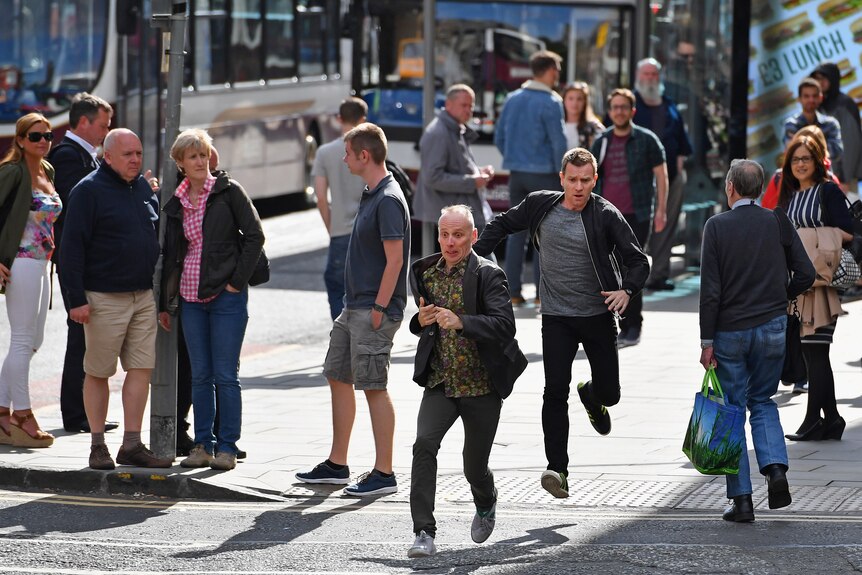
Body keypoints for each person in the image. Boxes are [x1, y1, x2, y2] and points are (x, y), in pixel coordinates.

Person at [474, 148, 649, 499]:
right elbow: (502, 224)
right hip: (556, 317)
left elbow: (638, 260)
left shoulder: (605, 215)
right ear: (562, 179)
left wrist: (627, 291)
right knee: (554, 390)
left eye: (586, 180)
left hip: (597, 316)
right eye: (573, 180)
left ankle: (592, 396)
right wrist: (475, 262)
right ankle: (557, 469)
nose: (579, 187)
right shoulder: (542, 204)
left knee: (610, 395)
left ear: (594, 180)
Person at [295, 123, 411, 496]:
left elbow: (395, 261)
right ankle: (337, 464)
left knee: (374, 386)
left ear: (365, 155)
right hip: (354, 306)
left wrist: (380, 307)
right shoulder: (371, 192)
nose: (343, 159)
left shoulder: (389, 198)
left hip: (373, 308)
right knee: (337, 375)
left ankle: (384, 473)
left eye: (348, 153)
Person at [406, 205, 527, 558]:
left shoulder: (489, 274)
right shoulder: (426, 272)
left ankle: (486, 501)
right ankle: (423, 532)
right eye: (445, 234)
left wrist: (462, 322)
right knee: (423, 445)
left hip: (481, 386)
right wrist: (420, 321)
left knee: (473, 466)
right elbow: (421, 323)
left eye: (458, 235)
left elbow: (505, 325)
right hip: (442, 381)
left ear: (473, 237)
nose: (450, 242)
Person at [699, 159, 815, 523]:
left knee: (732, 409)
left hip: (730, 331)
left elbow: (710, 293)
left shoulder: (716, 226)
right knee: (762, 401)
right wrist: (783, 295)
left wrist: (706, 340)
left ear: (730, 188)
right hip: (772, 327)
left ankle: (742, 500)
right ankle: (776, 469)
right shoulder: (777, 220)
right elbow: (807, 273)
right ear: (761, 190)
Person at [59, 128, 172, 470]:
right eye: (127, 154)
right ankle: (97, 446)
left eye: (138, 153)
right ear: (107, 156)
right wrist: (75, 299)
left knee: (141, 369)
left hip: (142, 295)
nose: (135, 159)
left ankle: (132, 445)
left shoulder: (141, 188)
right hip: (102, 297)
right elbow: (70, 249)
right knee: (98, 372)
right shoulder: (88, 191)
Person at [158, 129, 264, 471]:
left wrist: (236, 283)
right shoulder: (175, 202)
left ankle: (228, 447)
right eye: (193, 157)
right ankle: (202, 445)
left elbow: (255, 236)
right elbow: (171, 255)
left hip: (226, 297)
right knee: (200, 375)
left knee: (225, 375)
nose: (201, 162)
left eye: (204, 155)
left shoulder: (228, 192)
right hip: (189, 297)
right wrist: (165, 301)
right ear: (180, 163)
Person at [47, 92, 116, 434]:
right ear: (84, 122)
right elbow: (78, 206)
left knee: (90, 338)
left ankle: (87, 413)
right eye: (103, 125)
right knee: (80, 335)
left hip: (87, 258)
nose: (106, 131)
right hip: (75, 260)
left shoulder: (85, 155)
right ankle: (75, 414)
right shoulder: (68, 156)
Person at [778, 135, 853, 442]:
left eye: (806, 158)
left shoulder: (828, 191)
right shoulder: (793, 194)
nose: (799, 164)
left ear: (818, 160)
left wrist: (806, 239)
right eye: (795, 159)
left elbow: (848, 231)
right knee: (813, 353)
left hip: (823, 284)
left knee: (815, 352)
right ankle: (832, 418)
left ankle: (813, 420)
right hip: (803, 284)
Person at [0, 113, 61, 448]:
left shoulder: (47, 171)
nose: (43, 141)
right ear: (21, 140)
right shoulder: (11, 172)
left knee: (34, 339)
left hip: (42, 263)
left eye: (48, 136)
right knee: (23, 339)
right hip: (21, 262)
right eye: (36, 136)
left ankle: (1, 411)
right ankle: (22, 415)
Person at [591, 88, 668, 348]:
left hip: (638, 214)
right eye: (615, 107)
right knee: (606, 270)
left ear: (632, 111)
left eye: (624, 107)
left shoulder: (647, 140)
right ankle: (614, 324)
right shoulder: (601, 141)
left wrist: (661, 210)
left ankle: (632, 325)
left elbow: (661, 175)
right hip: (605, 215)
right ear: (610, 111)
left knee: (632, 268)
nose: (619, 111)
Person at [494, 50, 568, 305]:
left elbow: (499, 137)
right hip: (544, 175)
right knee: (543, 234)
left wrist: (514, 158)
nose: (558, 75)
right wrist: (564, 172)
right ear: (550, 71)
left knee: (516, 232)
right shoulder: (551, 101)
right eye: (556, 70)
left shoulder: (513, 99)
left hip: (517, 174)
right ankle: (540, 293)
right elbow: (558, 141)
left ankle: (513, 292)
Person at [633, 58, 693, 292]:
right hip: (639, 180)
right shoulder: (629, 104)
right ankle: (634, 275)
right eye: (646, 74)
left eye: (654, 74)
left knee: (665, 225)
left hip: (670, 178)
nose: (650, 78)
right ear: (639, 77)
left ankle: (659, 274)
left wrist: (679, 165)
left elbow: (681, 143)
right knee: (637, 225)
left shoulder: (669, 105)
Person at [414, 85, 494, 247]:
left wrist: (478, 172)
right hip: (450, 221)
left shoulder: (455, 129)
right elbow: (433, 177)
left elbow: (457, 167)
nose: (468, 110)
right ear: (448, 104)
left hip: (457, 217)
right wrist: (472, 182)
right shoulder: (439, 132)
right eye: (464, 105)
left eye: (471, 106)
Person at [313, 97, 368, 320]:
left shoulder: (325, 152)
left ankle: (342, 339)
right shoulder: (369, 152)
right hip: (366, 233)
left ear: (339, 119)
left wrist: (332, 227)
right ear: (363, 120)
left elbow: (320, 198)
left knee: (337, 289)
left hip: (340, 234)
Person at [811, 62, 862, 194]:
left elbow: (851, 144)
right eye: (816, 78)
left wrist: (845, 178)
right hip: (825, 177)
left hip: (843, 179)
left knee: (849, 213)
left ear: (833, 78)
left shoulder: (844, 104)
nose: (819, 82)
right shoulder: (819, 105)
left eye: (823, 78)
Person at [782, 78, 842, 169]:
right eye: (806, 96)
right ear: (799, 99)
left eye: (814, 96)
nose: (811, 100)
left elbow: (837, 151)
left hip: (825, 176)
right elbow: (792, 153)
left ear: (820, 97)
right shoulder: (791, 124)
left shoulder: (831, 124)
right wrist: (822, 148)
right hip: (799, 179)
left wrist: (804, 148)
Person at [561, 82, 604, 150]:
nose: (575, 103)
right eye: (570, 98)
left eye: (579, 99)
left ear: (585, 102)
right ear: (564, 100)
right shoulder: (556, 125)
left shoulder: (594, 127)